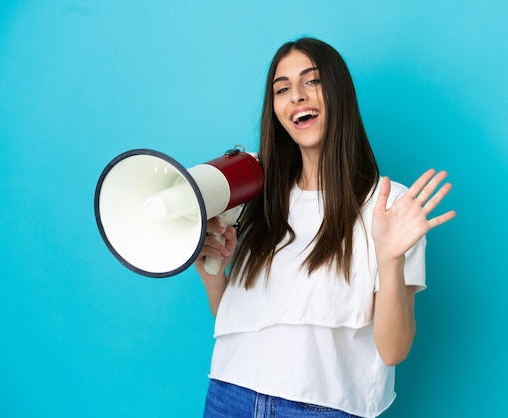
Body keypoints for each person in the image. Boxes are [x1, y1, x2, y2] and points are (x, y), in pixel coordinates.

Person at [194, 37, 456, 418]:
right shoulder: (260, 198)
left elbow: (394, 350)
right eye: (281, 89)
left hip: (321, 408)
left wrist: (390, 260)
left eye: (312, 81)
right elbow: (243, 325)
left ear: (339, 93)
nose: (296, 96)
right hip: (228, 394)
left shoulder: (388, 204)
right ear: (276, 111)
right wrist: (213, 278)